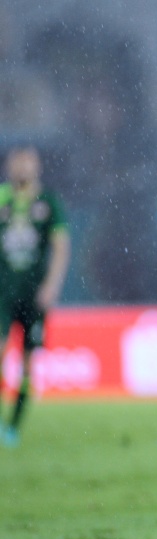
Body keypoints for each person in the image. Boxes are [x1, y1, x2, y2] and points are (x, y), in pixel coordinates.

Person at [0, 146, 71, 448]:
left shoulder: (48, 203)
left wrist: (52, 285)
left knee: (28, 362)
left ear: (37, 167)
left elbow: (61, 246)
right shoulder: (2, 198)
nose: (22, 168)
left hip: (34, 295)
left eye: (27, 163)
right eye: (17, 163)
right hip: (3, 292)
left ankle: (13, 425)